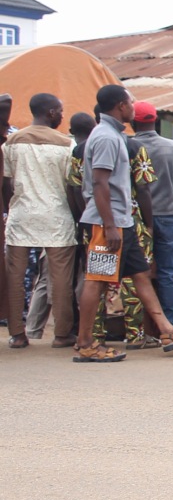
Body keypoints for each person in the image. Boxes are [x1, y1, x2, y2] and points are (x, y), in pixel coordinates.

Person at [72, 86, 173, 361]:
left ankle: (167, 330)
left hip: (121, 220)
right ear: (121, 106)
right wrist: (108, 226)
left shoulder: (113, 134)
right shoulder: (107, 137)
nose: (134, 107)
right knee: (96, 280)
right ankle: (85, 343)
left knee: (141, 274)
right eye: (131, 102)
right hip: (107, 223)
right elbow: (99, 182)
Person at [3, 93, 78, 348]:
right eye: (61, 111)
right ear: (52, 113)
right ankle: (61, 334)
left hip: (21, 216)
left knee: (15, 276)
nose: (62, 115)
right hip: (57, 217)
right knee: (60, 279)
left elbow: (6, 182)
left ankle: (17, 334)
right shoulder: (67, 144)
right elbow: (71, 186)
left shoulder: (11, 142)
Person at [129, 101, 173, 325]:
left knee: (134, 273)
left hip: (136, 217)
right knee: (167, 273)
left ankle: (139, 326)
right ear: (156, 120)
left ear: (133, 122)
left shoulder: (127, 146)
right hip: (167, 214)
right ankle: (168, 323)